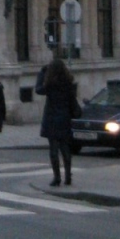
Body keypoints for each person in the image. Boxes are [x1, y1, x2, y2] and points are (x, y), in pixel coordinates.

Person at [35, 56, 78, 187]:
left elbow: (38, 89)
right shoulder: (68, 84)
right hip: (64, 118)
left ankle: (57, 177)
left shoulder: (50, 85)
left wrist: (42, 73)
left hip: (52, 118)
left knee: (53, 149)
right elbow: (72, 101)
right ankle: (68, 176)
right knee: (65, 148)